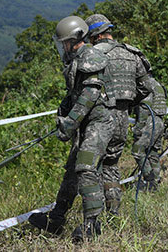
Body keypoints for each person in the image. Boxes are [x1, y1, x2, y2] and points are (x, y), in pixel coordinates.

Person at [28, 16, 112, 242]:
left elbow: (90, 94)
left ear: (76, 39)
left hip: (98, 122)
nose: (62, 47)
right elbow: (74, 94)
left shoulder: (91, 57)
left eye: (64, 42)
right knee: (71, 171)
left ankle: (91, 225)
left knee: (85, 167)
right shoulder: (76, 60)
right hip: (85, 123)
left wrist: (70, 122)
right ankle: (56, 219)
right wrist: (64, 109)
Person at [85, 14, 152, 215]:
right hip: (123, 118)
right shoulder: (132, 54)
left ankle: (92, 219)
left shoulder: (93, 54)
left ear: (94, 36)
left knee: (89, 167)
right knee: (111, 165)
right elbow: (146, 87)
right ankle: (114, 212)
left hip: (99, 118)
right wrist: (128, 102)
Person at [131, 75, 168, 191]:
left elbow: (144, 108)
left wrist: (138, 129)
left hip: (150, 122)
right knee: (152, 153)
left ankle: (150, 180)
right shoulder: (156, 84)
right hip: (160, 121)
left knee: (137, 150)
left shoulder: (146, 85)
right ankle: (156, 181)